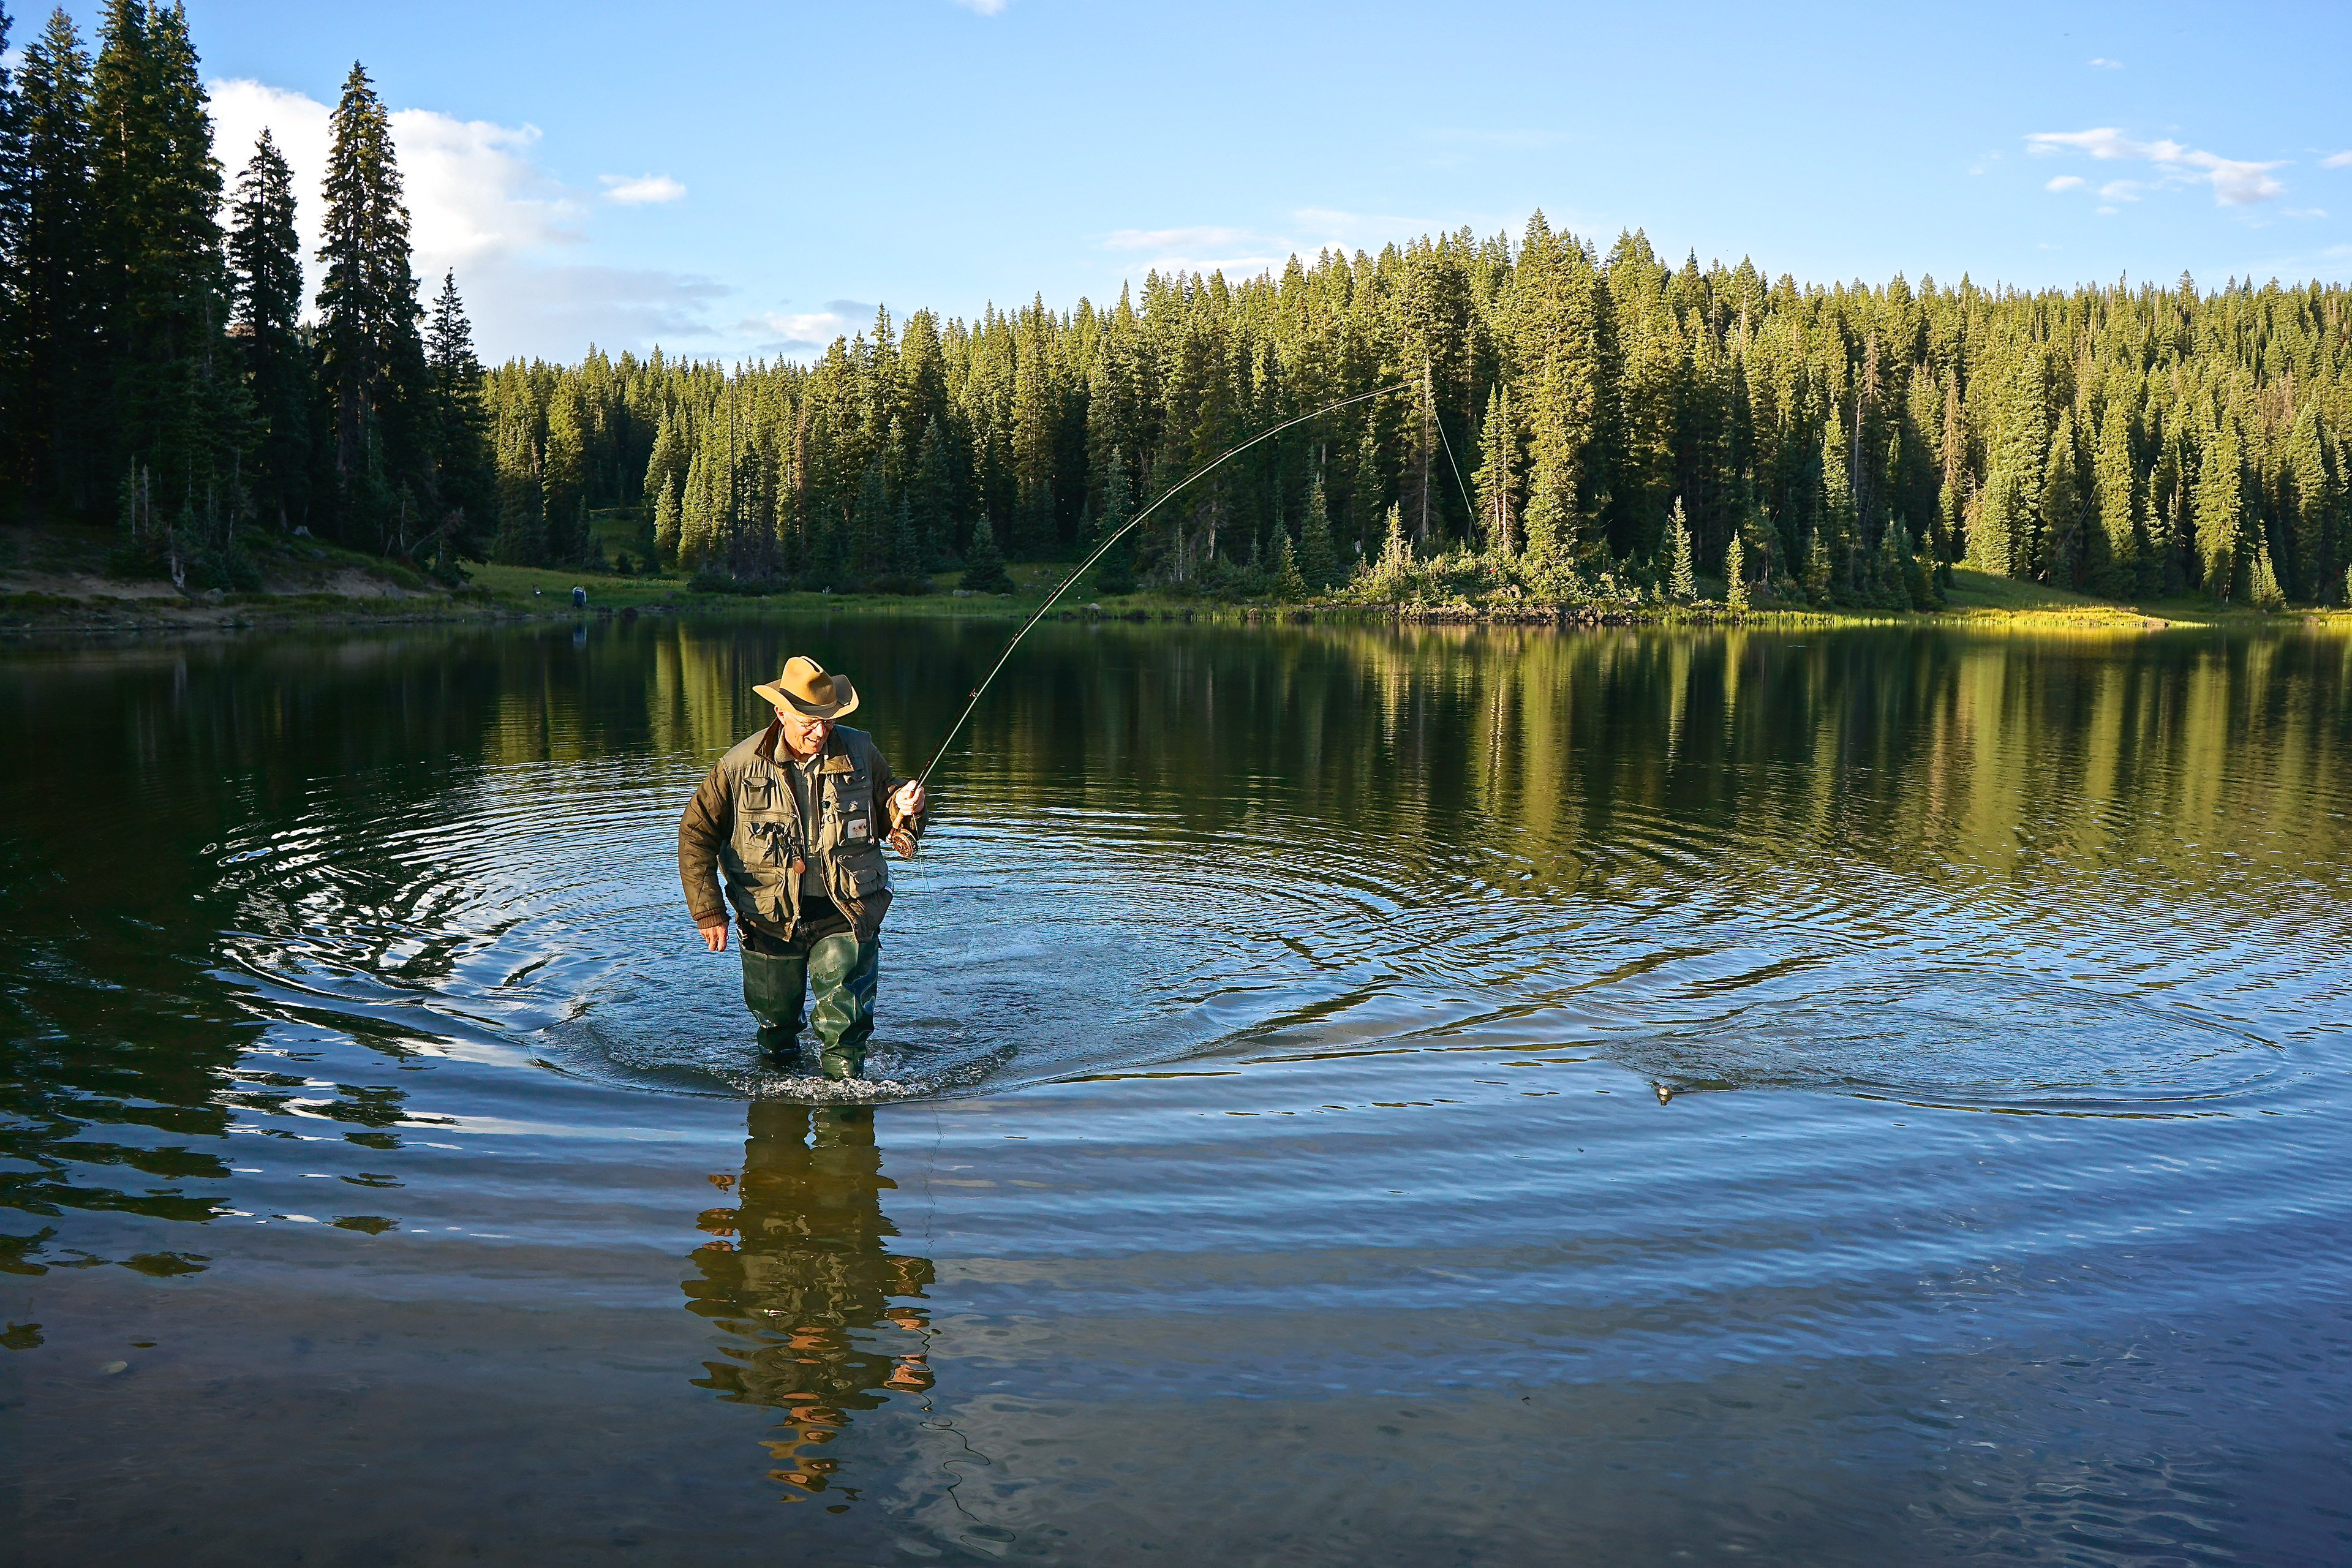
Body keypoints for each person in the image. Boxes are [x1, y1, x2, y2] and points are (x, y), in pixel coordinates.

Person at [677, 655, 925, 1079]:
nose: (821, 730)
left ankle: (847, 1112)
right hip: (767, 918)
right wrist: (709, 911)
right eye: (809, 720)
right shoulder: (738, 766)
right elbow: (696, 834)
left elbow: (889, 809)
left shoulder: (860, 750)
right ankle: (778, 1122)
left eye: (827, 720)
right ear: (780, 712)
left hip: (846, 911)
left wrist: (906, 802)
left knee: (846, 1031)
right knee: (775, 1034)